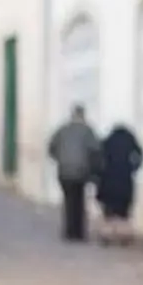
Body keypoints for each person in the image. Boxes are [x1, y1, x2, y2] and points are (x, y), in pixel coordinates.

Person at [48, 104, 100, 242]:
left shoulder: (62, 130)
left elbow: (51, 147)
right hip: (81, 171)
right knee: (79, 201)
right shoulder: (88, 131)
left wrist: (60, 159)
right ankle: (79, 233)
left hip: (64, 171)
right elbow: (95, 149)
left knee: (68, 200)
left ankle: (69, 231)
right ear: (83, 115)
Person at [97, 120, 143, 243]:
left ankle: (107, 235)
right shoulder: (130, 141)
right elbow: (140, 154)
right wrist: (134, 168)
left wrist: (99, 174)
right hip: (125, 179)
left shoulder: (107, 141)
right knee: (123, 211)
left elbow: (98, 157)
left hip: (108, 179)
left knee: (109, 211)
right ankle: (124, 235)